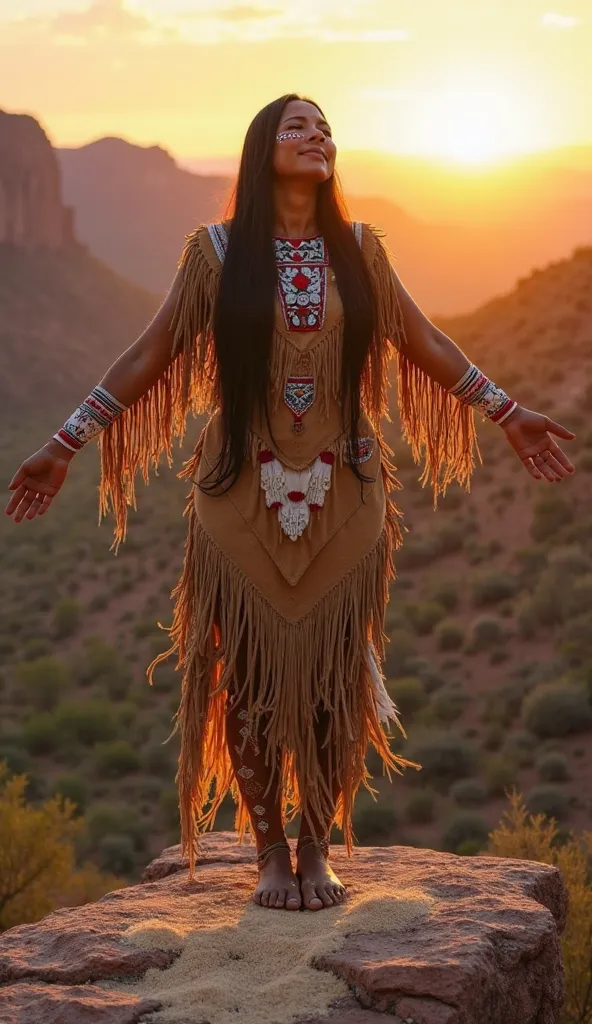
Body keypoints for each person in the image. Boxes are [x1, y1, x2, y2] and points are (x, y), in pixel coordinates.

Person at [6, 94, 575, 913]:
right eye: (296, 127)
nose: (319, 137)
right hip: (239, 490)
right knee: (246, 676)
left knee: (334, 675)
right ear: (261, 150)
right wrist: (65, 443)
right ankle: (269, 851)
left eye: (325, 127)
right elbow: (150, 351)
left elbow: (424, 339)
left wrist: (507, 410)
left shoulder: (360, 250)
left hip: (347, 489)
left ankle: (316, 846)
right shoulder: (215, 253)